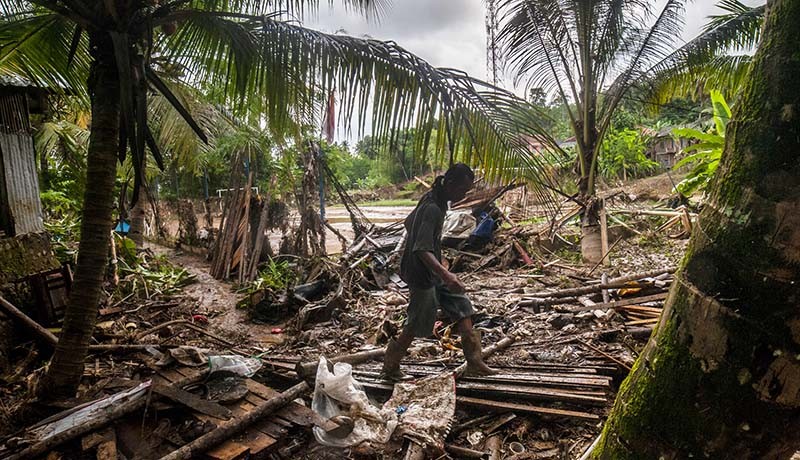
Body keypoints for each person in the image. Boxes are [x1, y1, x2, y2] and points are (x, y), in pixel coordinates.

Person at [381, 163, 497, 381]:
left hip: (434, 269)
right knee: (417, 320)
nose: (463, 194)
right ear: (450, 183)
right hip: (421, 273)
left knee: (462, 305)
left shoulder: (436, 199)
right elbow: (421, 249)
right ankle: (390, 367)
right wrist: (446, 274)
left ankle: (474, 361)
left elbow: (408, 223)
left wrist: (436, 252)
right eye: (461, 189)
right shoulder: (433, 207)